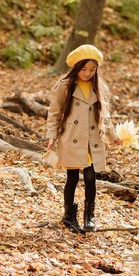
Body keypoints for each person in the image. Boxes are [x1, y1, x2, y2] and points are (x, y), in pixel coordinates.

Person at [46, 44, 121, 234]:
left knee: (90, 177)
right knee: (72, 178)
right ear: (76, 67)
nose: (87, 73)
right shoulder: (65, 85)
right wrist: (51, 137)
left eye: (92, 70)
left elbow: (105, 115)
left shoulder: (100, 87)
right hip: (71, 137)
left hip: (92, 138)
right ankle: (69, 217)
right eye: (83, 69)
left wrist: (113, 136)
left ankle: (90, 216)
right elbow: (55, 113)